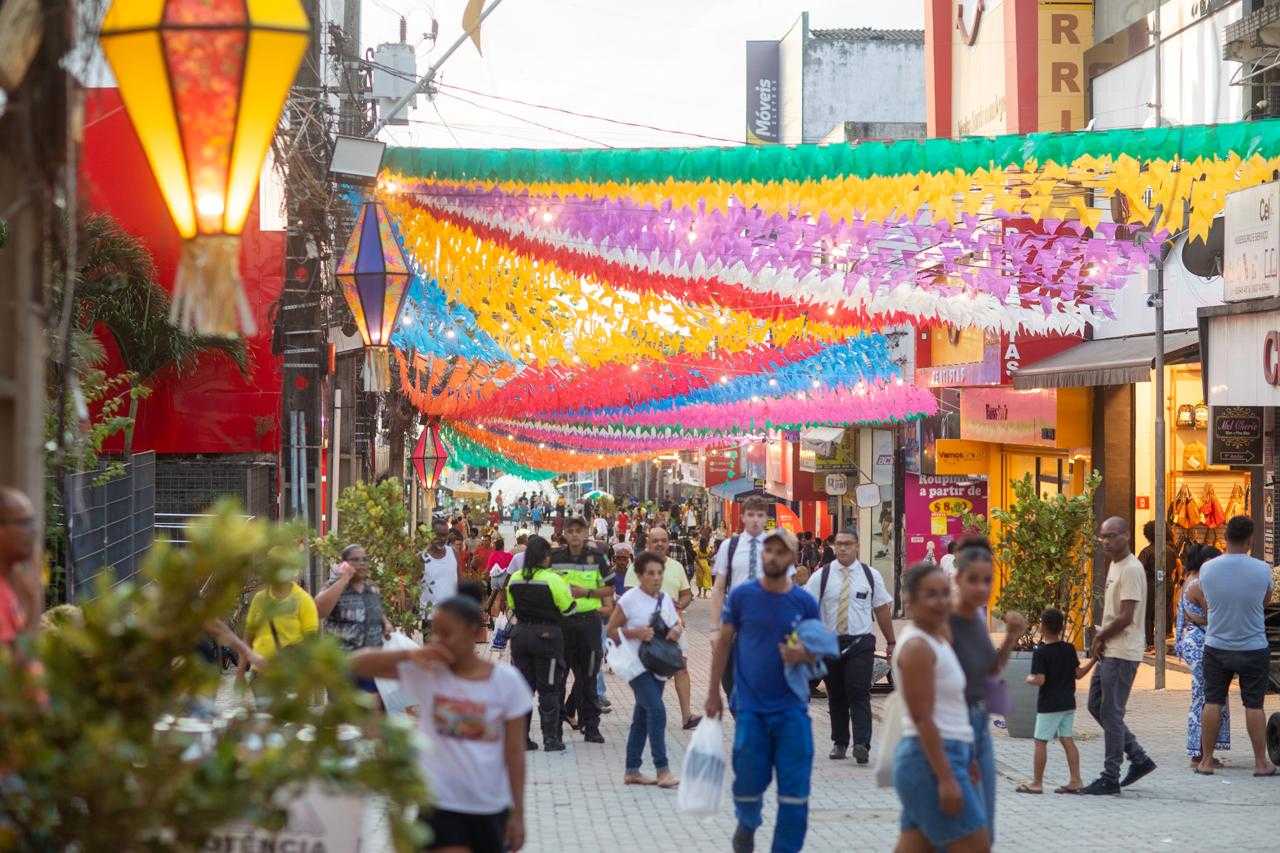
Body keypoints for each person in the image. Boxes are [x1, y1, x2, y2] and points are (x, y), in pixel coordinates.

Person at [351, 594, 530, 853]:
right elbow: (356, 664)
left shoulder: (506, 682)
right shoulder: (427, 673)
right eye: (435, 634)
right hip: (439, 805)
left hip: (490, 806)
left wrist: (518, 814)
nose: (438, 641)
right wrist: (411, 654)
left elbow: (515, 753)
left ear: (473, 632)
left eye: (447, 634)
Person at [706, 528, 820, 853]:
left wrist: (804, 655)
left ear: (793, 558)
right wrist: (713, 692)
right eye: (768, 550)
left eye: (781, 551)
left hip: (792, 710)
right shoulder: (743, 596)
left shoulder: (804, 602)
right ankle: (747, 821)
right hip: (751, 709)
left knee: (795, 792)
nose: (773, 556)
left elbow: (818, 649)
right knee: (747, 780)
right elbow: (724, 644)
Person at [891, 562, 989, 853]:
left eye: (946, 593)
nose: (941, 601)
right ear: (910, 601)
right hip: (929, 761)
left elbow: (952, 706)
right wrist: (946, 777)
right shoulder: (917, 647)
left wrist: (966, 755)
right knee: (976, 846)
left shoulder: (937, 638)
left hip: (945, 755)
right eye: (930, 595)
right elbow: (922, 718)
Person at [948, 537, 1026, 835]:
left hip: (980, 722)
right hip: (956, 726)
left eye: (987, 580)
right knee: (965, 824)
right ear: (958, 578)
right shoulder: (946, 621)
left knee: (985, 822)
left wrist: (1010, 638)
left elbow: (990, 670)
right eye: (973, 580)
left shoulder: (977, 618)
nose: (982, 588)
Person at [803, 529, 895, 764]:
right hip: (830, 642)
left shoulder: (870, 575)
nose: (843, 548)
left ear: (857, 546)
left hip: (860, 641)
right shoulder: (820, 577)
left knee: (859, 692)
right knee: (836, 694)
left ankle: (862, 743)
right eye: (839, 544)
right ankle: (840, 741)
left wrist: (891, 641)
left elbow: (882, 609)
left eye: (848, 544)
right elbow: (805, 609)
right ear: (834, 547)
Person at [1196, 516, 1277, 777]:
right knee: (1254, 704)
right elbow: (1264, 602)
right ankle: (1260, 763)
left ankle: (1206, 761)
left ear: (1225, 537)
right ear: (1250, 538)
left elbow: (1205, 602)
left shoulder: (1208, 569)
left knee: (1212, 701)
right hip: (1253, 645)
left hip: (1216, 645)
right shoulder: (1262, 569)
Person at [1081, 516, 1156, 795]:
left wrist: (1101, 636)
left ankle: (1110, 776)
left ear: (1126, 536)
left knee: (1111, 713)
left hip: (1123, 651)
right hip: (1111, 648)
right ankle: (1138, 757)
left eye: (1111, 536)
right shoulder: (1115, 564)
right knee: (1096, 705)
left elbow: (1126, 617)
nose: (1106, 542)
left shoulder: (1132, 569)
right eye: (1103, 536)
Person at [607, 550, 682, 788]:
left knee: (642, 715)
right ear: (639, 575)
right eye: (651, 573)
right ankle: (663, 770)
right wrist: (635, 632)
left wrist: (676, 630)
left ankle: (632, 770)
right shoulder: (629, 599)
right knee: (657, 711)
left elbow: (674, 624)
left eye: (660, 573)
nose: (656, 577)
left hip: (658, 663)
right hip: (635, 664)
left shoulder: (665, 600)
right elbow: (610, 630)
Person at [623, 526, 700, 729]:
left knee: (681, 668)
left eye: (663, 540)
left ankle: (687, 716)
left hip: (674, 626)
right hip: (647, 628)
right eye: (655, 540)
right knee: (647, 672)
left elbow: (686, 593)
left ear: (668, 543)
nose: (659, 544)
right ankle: (646, 714)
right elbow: (629, 594)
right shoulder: (636, 567)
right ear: (648, 543)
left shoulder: (676, 567)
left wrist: (679, 606)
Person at [506, 535, 575, 751]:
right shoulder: (553, 579)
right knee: (549, 688)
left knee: (523, 688)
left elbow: (511, 605)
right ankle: (551, 739)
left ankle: (522, 739)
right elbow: (569, 609)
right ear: (544, 557)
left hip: (520, 636)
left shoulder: (515, 578)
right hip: (547, 637)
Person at [1017, 607, 1097, 794]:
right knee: (1067, 739)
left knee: (1040, 742)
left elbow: (1040, 679)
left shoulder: (1041, 652)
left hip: (1049, 705)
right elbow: (1078, 674)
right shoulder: (1069, 649)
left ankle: (1037, 783)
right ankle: (1076, 780)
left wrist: (1028, 678)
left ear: (1042, 627)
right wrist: (1093, 660)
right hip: (1068, 703)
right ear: (1061, 627)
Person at [550, 516, 614, 743]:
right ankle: (554, 729)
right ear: (564, 533)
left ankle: (591, 726)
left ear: (586, 532)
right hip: (562, 624)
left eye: (579, 530)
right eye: (571, 530)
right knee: (558, 678)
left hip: (589, 624)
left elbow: (608, 589)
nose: (575, 534)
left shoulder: (597, 558)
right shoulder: (554, 558)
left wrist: (586, 593)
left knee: (588, 677)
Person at [709, 496, 773, 705]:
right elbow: (718, 588)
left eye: (760, 515)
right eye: (751, 515)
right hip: (735, 624)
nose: (755, 520)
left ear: (766, 519)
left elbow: (788, 589)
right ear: (743, 517)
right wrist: (714, 629)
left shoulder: (776, 547)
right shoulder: (730, 546)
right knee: (730, 682)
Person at [1174, 544, 1231, 767]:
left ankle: (1201, 751)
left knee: (1205, 696)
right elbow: (1214, 615)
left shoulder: (1191, 579)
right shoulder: (1200, 584)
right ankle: (1199, 754)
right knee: (1206, 697)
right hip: (1199, 644)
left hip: (1195, 641)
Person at [315, 545, 392, 696]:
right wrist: (344, 579)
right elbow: (319, 610)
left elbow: (374, 610)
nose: (362, 563)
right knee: (345, 716)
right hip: (343, 666)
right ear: (344, 563)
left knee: (371, 714)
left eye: (364, 559)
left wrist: (385, 622)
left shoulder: (372, 589)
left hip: (371, 664)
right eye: (355, 560)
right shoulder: (334, 586)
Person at [240, 568, 319, 668]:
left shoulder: (304, 600)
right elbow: (248, 637)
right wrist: (240, 673)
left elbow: (311, 643)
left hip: (290, 675)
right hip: (260, 674)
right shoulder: (259, 599)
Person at [0, 488, 40, 648]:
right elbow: (9, 668)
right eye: (24, 523)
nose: (33, 530)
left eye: (32, 522)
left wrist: (32, 600)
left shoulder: (7, 589)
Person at [422, 524, 460, 635]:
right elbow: (414, 587)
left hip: (452, 615)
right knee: (432, 651)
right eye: (438, 535)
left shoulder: (453, 553)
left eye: (444, 535)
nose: (442, 539)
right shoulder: (422, 557)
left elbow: (460, 582)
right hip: (430, 617)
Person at [691, 529, 714, 598]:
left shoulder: (697, 548)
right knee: (706, 579)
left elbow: (695, 555)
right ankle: (704, 594)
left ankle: (699, 593)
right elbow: (710, 553)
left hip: (699, 564)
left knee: (699, 579)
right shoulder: (707, 548)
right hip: (705, 564)